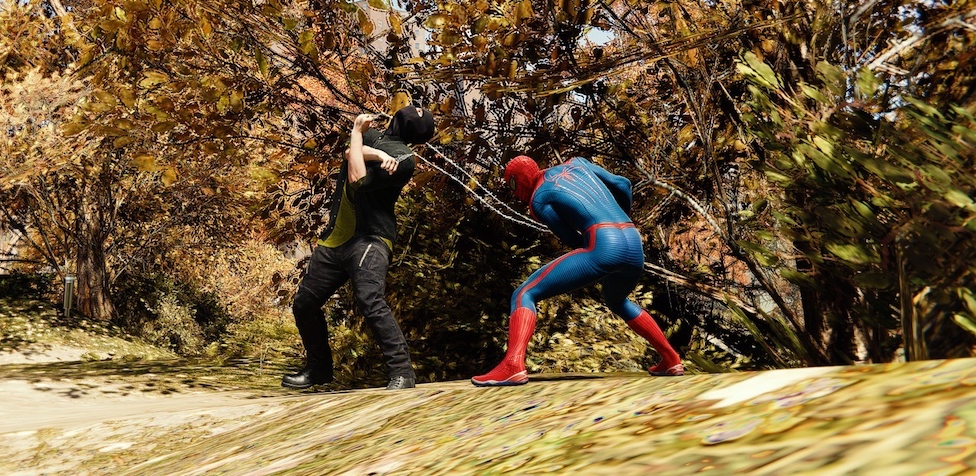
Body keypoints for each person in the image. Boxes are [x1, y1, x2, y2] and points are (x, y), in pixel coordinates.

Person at [472, 155, 683, 386]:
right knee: (617, 301)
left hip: (603, 241)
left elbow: (571, 238)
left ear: (517, 182)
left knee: (524, 293)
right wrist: (621, 216)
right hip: (632, 239)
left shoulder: (538, 199)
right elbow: (623, 183)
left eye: (512, 185)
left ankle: (513, 365)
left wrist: (597, 250)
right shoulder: (577, 163)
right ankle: (671, 359)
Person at [283, 104, 435, 391]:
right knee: (305, 303)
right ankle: (319, 369)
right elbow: (348, 153)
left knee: (370, 300)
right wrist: (376, 153)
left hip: (371, 239)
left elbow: (358, 178)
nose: (412, 110)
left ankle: (402, 373)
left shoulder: (405, 159)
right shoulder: (376, 137)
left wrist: (357, 134)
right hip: (335, 240)